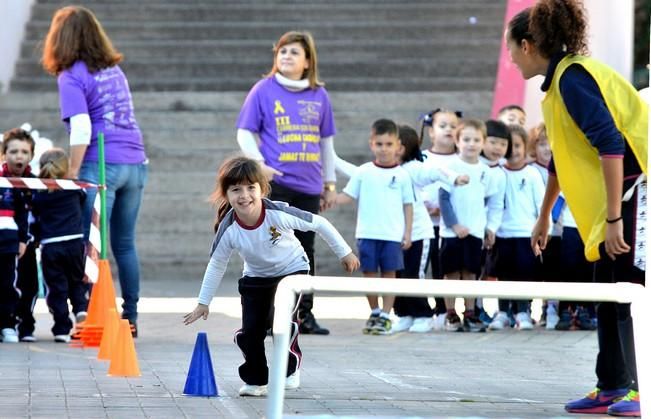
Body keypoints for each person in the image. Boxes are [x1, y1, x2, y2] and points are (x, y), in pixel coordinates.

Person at [507, 1, 647, 415]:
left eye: (512, 49)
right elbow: (562, 156)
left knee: (628, 293)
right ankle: (612, 385)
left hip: (635, 190)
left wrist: (614, 220)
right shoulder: (558, 83)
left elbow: (611, 144)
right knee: (605, 289)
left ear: (529, 45)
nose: (511, 58)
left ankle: (641, 390)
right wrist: (544, 214)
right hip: (617, 197)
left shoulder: (574, 79)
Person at [183, 156, 359, 397]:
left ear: (262, 189)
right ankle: (256, 380)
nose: (244, 195)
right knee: (250, 332)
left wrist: (345, 253)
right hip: (256, 278)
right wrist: (203, 302)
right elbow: (216, 264)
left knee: (280, 323)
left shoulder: (277, 212)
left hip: (293, 271)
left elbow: (319, 223)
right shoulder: (229, 228)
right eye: (236, 190)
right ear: (226, 194)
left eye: (250, 188)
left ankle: (289, 370)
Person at [42, 6, 148, 337]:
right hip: (136, 163)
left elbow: (82, 128)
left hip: (102, 165)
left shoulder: (71, 75)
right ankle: (129, 317)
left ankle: (93, 318)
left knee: (91, 245)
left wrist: (72, 173)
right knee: (125, 244)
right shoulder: (114, 71)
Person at [236, 30, 335, 335]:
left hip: (309, 186)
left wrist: (328, 183)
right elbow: (243, 132)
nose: (287, 56)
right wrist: (260, 166)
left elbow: (326, 142)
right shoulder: (263, 90)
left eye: (294, 52)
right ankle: (267, 317)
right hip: (276, 185)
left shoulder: (319, 95)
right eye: (282, 51)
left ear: (307, 61)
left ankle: (303, 315)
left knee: (306, 251)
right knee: (272, 247)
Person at [336, 119, 414, 335]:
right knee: (369, 275)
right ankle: (375, 312)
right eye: (379, 144)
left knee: (389, 275)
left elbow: (409, 206)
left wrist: (407, 233)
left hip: (392, 236)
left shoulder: (403, 175)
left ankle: (387, 315)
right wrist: (330, 198)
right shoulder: (363, 172)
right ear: (371, 144)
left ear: (398, 146)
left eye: (389, 144)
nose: (384, 149)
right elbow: (347, 196)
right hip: (367, 233)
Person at [392, 125, 468, 333]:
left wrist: (454, 178)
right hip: (396, 235)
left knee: (413, 275)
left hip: (418, 234)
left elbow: (434, 172)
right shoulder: (387, 169)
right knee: (399, 275)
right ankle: (405, 314)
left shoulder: (414, 168)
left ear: (405, 147)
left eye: (393, 144)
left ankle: (423, 315)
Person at [438, 119, 499, 332]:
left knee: (471, 273)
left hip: (474, 231)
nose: (471, 144)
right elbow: (443, 199)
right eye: (466, 139)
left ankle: (470, 313)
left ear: (483, 143)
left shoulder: (486, 171)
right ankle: (451, 314)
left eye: (476, 140)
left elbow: (491, 201)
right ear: (457, 141)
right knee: (451, 273)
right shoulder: (450, 168)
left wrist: (488, 228)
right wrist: (454, 225)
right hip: (452, 233)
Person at [489, 124, 545, 331]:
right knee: (503, 273)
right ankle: (503, 311)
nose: (513, 150)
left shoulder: (531, 174)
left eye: (518, 145)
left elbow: (541, 204)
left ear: (526, 146)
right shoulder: (496, 173)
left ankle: (523, 311)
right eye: (509, 145)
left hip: (525, 233)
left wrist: (540, 230)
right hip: (502, 233)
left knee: (525, 273)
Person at [31, 149, 88, 343]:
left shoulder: (38, 194)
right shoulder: (75, 188)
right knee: (77, 281)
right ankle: (81, 309)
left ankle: (62, 328)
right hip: (74, 242)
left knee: (57, 288)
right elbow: (84, 198)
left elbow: (35, 217)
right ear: (66, 170)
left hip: (51, 246)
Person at [419, 109, 462, 329]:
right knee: (421, 268)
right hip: (425, 224)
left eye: (453, 126)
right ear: (431, 131)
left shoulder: (461, 158)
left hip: (450, 227)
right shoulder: (423, 157)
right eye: (442, 125)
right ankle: (418, 309)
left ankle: (445, 309)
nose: (448, 130)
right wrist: (425, 206)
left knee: (443, 269)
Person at [0, 128, 40, 342]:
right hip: (5, 240)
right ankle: (6, 323)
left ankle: (26, 325)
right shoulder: (1, 180)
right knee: (5, 283)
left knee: (29, 284)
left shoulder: (37, 182)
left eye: (24, 152)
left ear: (31, 155)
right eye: (13, 151)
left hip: (29, 242)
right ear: (3, 153)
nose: (19, 156)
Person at [528, 122, 562, 329]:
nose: (548, 148)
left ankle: (552, 307)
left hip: (560, 230)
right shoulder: (531, 170)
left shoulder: (568, 167)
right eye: (542, 144)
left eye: (552, 143)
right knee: (536, 270)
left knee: (555, 271)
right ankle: (535, 309)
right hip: (536, 228)